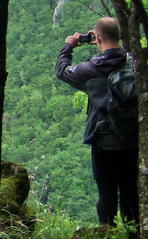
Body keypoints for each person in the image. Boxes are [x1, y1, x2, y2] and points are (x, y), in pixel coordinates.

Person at [55, 16, 139, 227]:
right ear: (119, 36)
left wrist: (68, 46)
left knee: (106, 193)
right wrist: (105, 42)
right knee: (130, 191)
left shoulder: (92, 69)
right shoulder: (133, 61)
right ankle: (136, 236)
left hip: (104, 141)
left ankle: (107, 234)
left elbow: (62, 71)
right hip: (132, 138)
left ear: (97, 38)